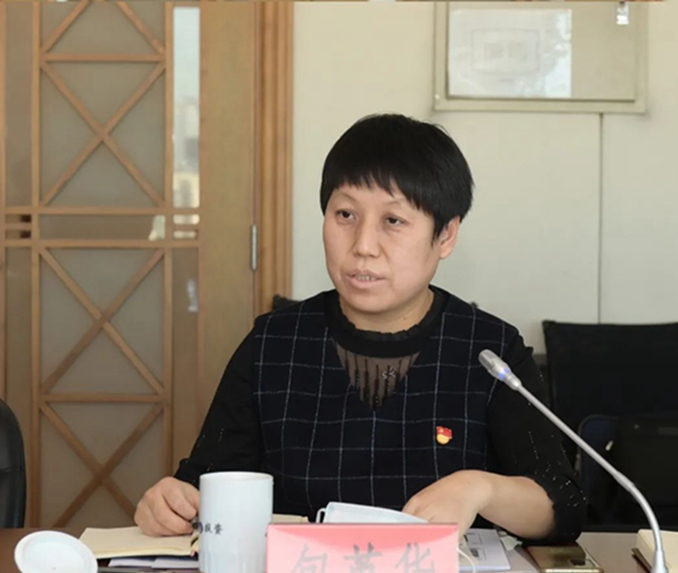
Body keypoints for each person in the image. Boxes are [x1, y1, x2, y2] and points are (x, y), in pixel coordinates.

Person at [135, 113, 585, 542]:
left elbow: (561, 505)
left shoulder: (489, 351)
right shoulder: (272, 344)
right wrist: (170, 504)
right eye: (345, 216)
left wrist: (480, 488)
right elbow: (204, 487)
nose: (363, 246)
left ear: (446, 235)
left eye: (393, 221)